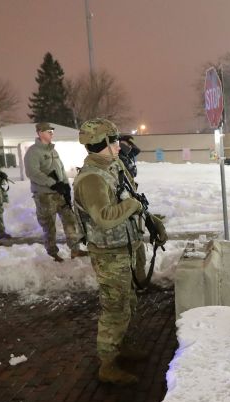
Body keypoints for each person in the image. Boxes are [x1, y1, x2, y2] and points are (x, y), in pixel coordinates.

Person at [72, 118, 168, 385]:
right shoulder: (91, 178)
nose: (118, 145)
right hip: (109, 251)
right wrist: (134, 208)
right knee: (114, 307)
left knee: (129, 302)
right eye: (113, 141)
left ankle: (122, 346)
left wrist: (152, 221)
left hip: (126, 244)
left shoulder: (115, 166)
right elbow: (103, 216)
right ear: (101, 143)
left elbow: (133, 198)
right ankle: (107, 363)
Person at [25, 122, 84, 260]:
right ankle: (52, 252)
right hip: (44, 195)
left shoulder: (53, 150)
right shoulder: (33, 152)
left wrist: (65, 185)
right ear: (39, 133)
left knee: (70, 220)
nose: (51, 133)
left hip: (60, 193)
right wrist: (52, 184)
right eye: (48, 131)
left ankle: (75, 249)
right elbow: (33, 173)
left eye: (52, 131)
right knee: (49, 225)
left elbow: (61, 169)